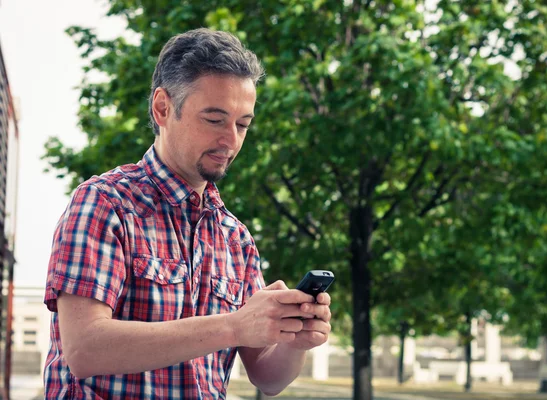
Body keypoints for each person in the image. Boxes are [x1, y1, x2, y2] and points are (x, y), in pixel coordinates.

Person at [43, 28, 332, 399]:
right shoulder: (104, 204)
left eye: (243, 124)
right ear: (163, 108)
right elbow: (85, 349)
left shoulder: (236, 238)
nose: (231, 140)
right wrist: (233, 326)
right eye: (214, 119)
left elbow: (268, 378)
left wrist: (295, 338)